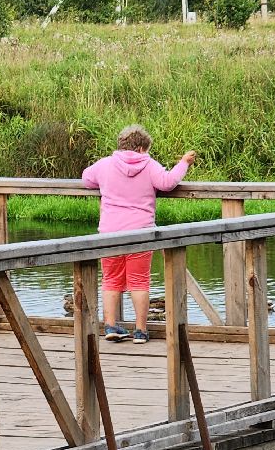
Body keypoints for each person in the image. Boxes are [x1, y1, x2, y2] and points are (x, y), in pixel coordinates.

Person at [81, 124, 196, 344]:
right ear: (142, 148)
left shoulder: (105, 165)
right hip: (141, 232)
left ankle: (111, 326)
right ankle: (140, 331)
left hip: (109, 233)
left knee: (111, 280)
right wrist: (183, 163)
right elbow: (168, 182)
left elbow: (87, 179)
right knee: (139, 282)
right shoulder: (150, 165)